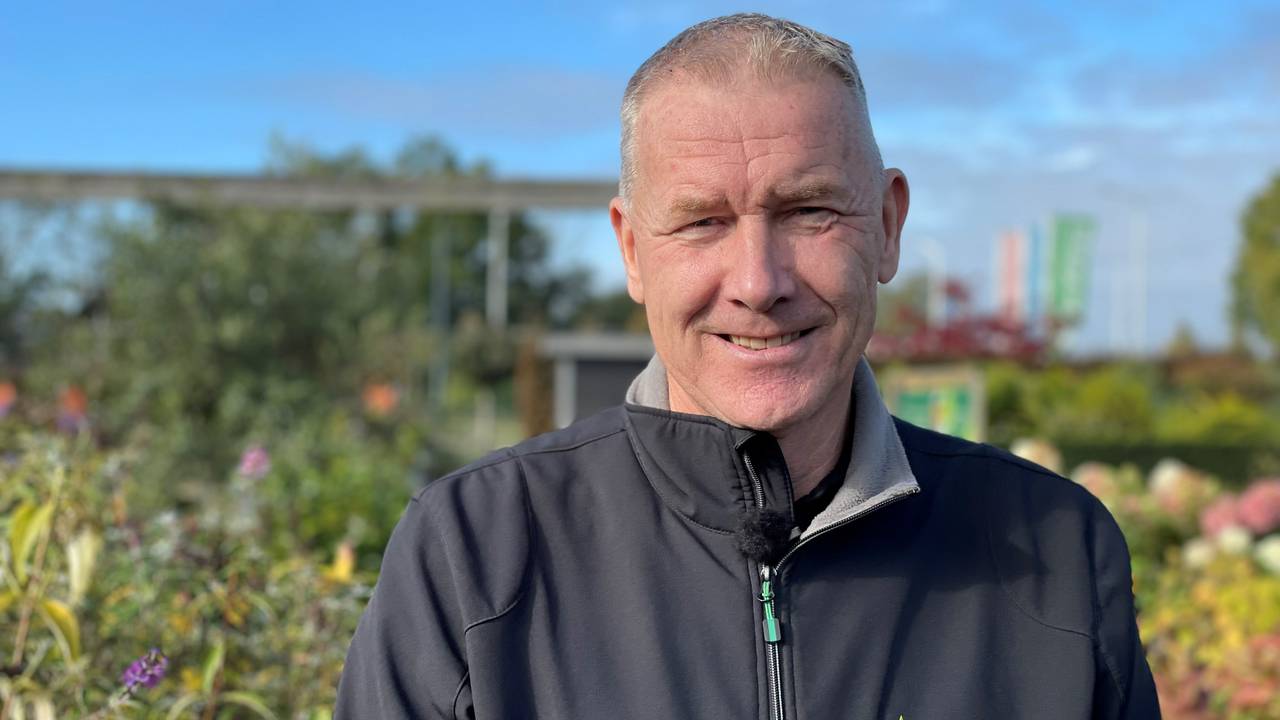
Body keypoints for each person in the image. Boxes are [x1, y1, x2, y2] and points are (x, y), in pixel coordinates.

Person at [336, 13, 1161, 719]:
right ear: (632, 249)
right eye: (701, 222)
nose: (759, 283)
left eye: (808, 211)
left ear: (887, 225)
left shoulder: (1058, 549)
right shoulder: (473, 553)